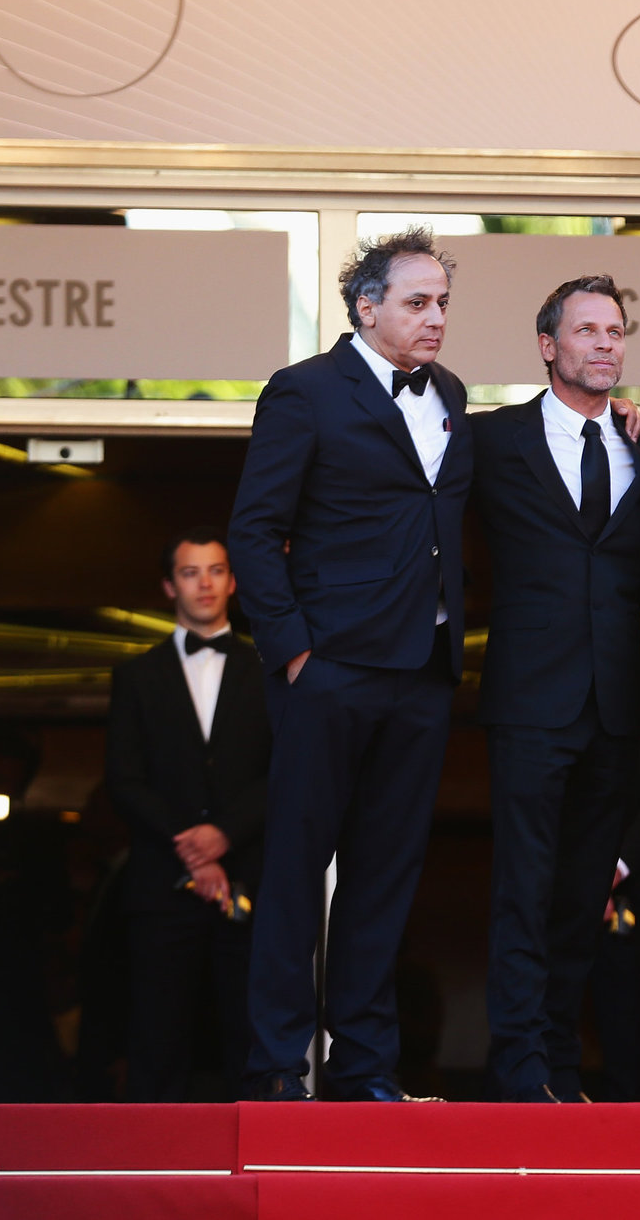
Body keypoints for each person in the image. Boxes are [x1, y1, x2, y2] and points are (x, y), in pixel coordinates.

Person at [228, 227, 474, 1103]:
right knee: (297, 871)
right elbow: (254, 530)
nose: (435, 317)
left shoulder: (450, 393)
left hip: (422, 673)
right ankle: (274, 1068)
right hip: (330, 668)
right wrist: (294, 650)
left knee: (384, 878)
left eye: (442, 303)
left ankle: (363, 1067)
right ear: (366, 307)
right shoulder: (304, 391)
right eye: (417, 302)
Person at [471, 276, 640, 1103]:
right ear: (548, 346)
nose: (604, 343)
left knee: (583, 895)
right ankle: (517, 1070)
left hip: (614, 706)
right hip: (528, 702)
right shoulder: (491, 439)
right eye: (587, 331)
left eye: (615, 331)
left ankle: (559, 1065)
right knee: (523, 888)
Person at [104, 529, 271, 1101]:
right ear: (168, 585)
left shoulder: (270, 669)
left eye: (216, 570)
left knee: (252, 1039)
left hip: (250, 879)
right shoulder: (136, 676)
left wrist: (224, 834)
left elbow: (287, 772)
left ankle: (259, 1154)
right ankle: (153, 1157)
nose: (205, 584)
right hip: (161, 884)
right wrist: (194, 848)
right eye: (191, 572)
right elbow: (123, 780)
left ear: (234, 581)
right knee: (156, 1040)